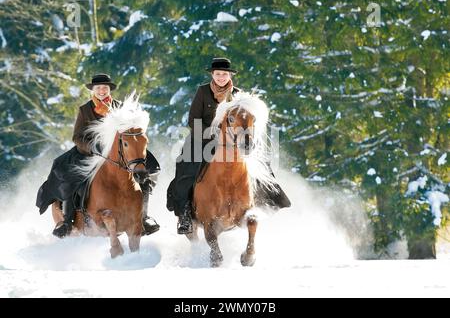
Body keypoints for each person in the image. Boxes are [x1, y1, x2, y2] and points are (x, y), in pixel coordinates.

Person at [166, 58, 291, 235]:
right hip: (204, 138)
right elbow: (193, 119)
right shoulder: (202, 92)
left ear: (230, 75)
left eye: (224, 74)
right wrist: (211, 133)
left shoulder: (239, 96)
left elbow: (246, 120)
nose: (221, 77)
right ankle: (185, 212)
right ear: (212, 75)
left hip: (233, 139)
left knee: (262, 161)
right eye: (218, 74)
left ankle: (269, 200)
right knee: (186, 164)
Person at [36, 74, 161, 238]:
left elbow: (131, 131)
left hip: (120, 151)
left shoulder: (120, 107)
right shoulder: (85, 109)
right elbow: (77, 136)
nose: (102, 91)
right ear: (93, 91)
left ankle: (143, 217)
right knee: (69, 173)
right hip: (91, 151)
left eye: (105, 88)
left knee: (148, 169)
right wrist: (92, 147)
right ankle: (67, 221)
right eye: (98, 88)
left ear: (109, 90)